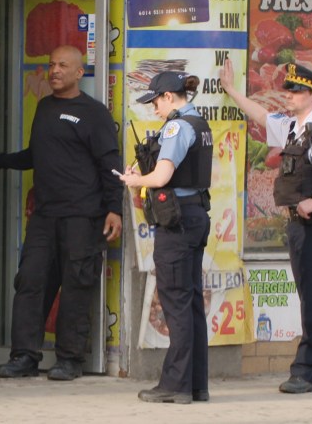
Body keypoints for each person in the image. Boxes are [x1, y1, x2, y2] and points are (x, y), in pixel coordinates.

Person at [0, 45, 123, 381]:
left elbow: (110, 165)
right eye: (51, 64)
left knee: (76, 286)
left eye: (62, 65)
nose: (54, 70)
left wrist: (113, 210)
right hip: (44, 217)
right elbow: (35, 154)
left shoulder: (93, 113)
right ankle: (24, 357)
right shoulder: (44, 108)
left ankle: (70, 360)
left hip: (83, 218)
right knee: (30, 282)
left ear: (78, 72)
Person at [219, 60, 312, 393]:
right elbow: (262, 116)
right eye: (288, 90)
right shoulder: (295, 126)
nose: (289, 95)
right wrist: (232, 90)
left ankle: (305, 370)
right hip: (301, 225)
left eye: (296, 91)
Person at [120, 71, 213, 404]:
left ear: (169, 97)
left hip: (178, 221)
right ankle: (196, 385)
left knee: (175, 302)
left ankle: (175, 386)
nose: (155, 109)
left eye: (156, 101)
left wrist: (135, 181)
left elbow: (162, 175)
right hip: (196, 216)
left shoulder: (177, 127)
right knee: (190, 302)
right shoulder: (200, 124)